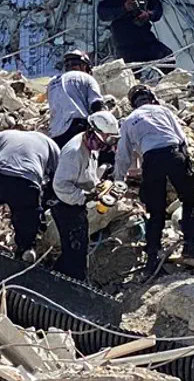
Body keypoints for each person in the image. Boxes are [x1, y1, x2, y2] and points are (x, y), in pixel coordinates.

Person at [114, 84, 194, 272]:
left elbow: (123, 155)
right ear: (152, 98)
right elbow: (181, 138)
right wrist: (186, 167)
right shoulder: (164, 111)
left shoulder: (129, 121)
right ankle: (190, 246)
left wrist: (118, 180)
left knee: (155, 209)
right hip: (173, 153)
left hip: (151, 160)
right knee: (189, 198)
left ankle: (153, 255)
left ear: (133, 104)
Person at [0, 130, 60, 260]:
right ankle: (25, 250)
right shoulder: (50, 144)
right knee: (27, 219)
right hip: (26, 184)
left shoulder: (3, 135)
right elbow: (59, 175)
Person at [52, 111, 120, 280]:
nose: (102, 147)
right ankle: (70, 284)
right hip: (66, 206)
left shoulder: (92, 147)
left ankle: (58, 275)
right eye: (101, 142)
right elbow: (60, 185)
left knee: (77, 249)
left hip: (77, 203)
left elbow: (89, 175)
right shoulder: (74, 153)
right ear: (90, 132)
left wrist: (100, 187)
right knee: (75, 251)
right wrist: (86, 196)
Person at [97, 0, 172, 63]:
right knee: (131, 73)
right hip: (125, 44)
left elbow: (157, 8)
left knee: (168, 58)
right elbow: (102, 13)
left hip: (145, 39)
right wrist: (124, 8)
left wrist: (148, 15)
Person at [47, 50, 104, 149]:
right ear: (85, 66)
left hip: (54, 133)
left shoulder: (52, 82)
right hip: (77, 127)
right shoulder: (86, 77)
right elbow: (96, 104)